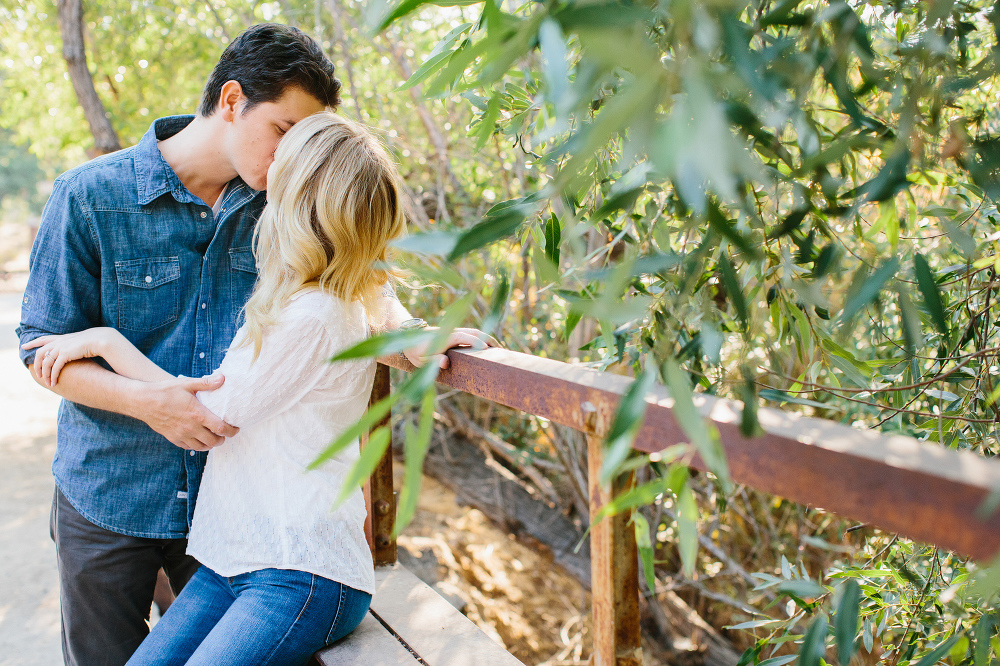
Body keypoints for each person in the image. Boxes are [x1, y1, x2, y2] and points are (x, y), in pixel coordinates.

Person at [16, 23, 493, 666]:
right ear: (234, 100)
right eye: (282, 130)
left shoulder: (286, 204)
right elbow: (43, 349)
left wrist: (411, 337)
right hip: (112, 493)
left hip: (234, 528)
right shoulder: (89, 196)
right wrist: (144, 401)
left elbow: (355, 277)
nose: (289, 155)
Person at [25, 111, 409, 665]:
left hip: (297, 571)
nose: (270, 167)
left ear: (305, 194)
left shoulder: (316, 312)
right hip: (231, 560)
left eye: (287, 158)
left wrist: (109, 343)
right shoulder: (298, 296)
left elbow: (205, 414)